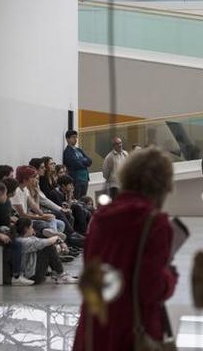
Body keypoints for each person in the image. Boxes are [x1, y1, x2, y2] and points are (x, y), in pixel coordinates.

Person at [73, 147, 179, 351]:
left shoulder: (100, 216)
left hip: (94, 324)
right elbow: (151, 287)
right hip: (132, 328)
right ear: (164, 185)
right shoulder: (154, 222)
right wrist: (170, 276)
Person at [16, 218, 77, 284]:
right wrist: (60, 241)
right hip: (31, 277)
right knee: (49, 247)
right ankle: (61, 274)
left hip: (29, 271)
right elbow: (47, 242)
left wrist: (58, 243)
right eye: (31, 227)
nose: (33, 229)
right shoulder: (23, 242)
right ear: (26, 229)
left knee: (47, 246)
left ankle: (56, 271)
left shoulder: (26, 239)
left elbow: (41, 241)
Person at [63, 130, 93, 199]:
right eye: (73, 137)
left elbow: (89, 161)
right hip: (76, 180)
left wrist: (81, 161)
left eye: (76, 137)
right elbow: (76, 164)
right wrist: (83, 161)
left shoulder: (79, 150)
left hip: (85, 179)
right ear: (67, 139)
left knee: (84, 199)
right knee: (77, 199)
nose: (75, 139)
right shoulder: (67, 152)